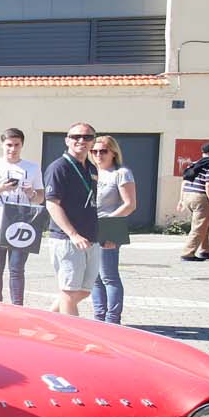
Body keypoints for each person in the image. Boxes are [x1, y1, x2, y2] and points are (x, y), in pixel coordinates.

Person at [0, 128, 43, 303]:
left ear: (22, 145)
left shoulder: (32, 168)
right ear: (2, 145)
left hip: (22, 223)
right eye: (9, 145)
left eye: (16, 145)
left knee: (17, 267)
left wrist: (31, 193)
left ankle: (17, 306)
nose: (12, 149)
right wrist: (1, 188)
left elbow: (40, 198)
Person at [41, 122, 100, 317]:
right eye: (76, 137)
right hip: (68, 240)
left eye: (87, 137)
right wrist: (73, 234)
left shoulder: (91, 168)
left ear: (93, 141)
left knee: (83, 290)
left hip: (91, 238)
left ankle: (45, 321)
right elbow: (52, 204)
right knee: (69, 292)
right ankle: (72, 338)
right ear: (67, 140)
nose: (81, 141)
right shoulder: (59, 167)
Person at [90, 135, 137, 324]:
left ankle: (112, 319)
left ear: (113, 152)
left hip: (110, 226)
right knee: (94, 276)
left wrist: (108, 224)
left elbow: (130, 204)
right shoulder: (91, 172)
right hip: (89, 227)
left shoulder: (121, 173)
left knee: (108, 275)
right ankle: (99, 317)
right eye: (94, 151)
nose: (98, 155)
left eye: (103, 151)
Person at [178, 142, 209, 262]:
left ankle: (205, 250)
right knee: (199, 226)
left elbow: (184, 182)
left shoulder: (193, 164)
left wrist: (181, 199)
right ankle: (187, 253)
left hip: (188, 196)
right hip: (201, 197)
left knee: (203, 224)